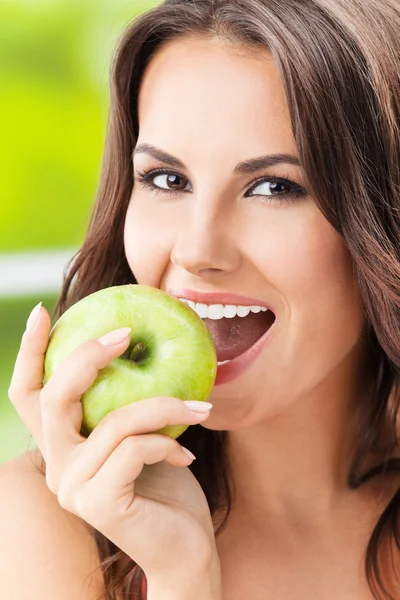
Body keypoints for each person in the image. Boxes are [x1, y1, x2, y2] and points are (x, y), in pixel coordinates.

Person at [1, 0, 400, 598]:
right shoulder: (43, 524)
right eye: (168, 180)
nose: (196, 249)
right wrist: (181, 575)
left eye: (274, 187)